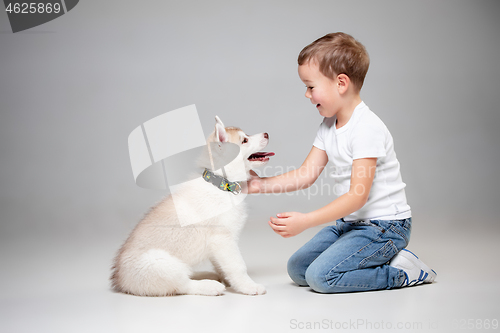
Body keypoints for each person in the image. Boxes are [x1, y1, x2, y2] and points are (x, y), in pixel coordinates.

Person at [247, 32, 436, 293]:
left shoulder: (366, 127)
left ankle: (403, 272)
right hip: (350, 224)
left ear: (341, 83)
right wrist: (259, 185)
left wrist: (306, 221)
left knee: (321, 278)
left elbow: (357, 197)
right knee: (298, 270)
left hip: (385, 228)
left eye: (311, 86)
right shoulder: (328, 125)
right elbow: (306, 174)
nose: (306, 94)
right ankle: (365, 258)